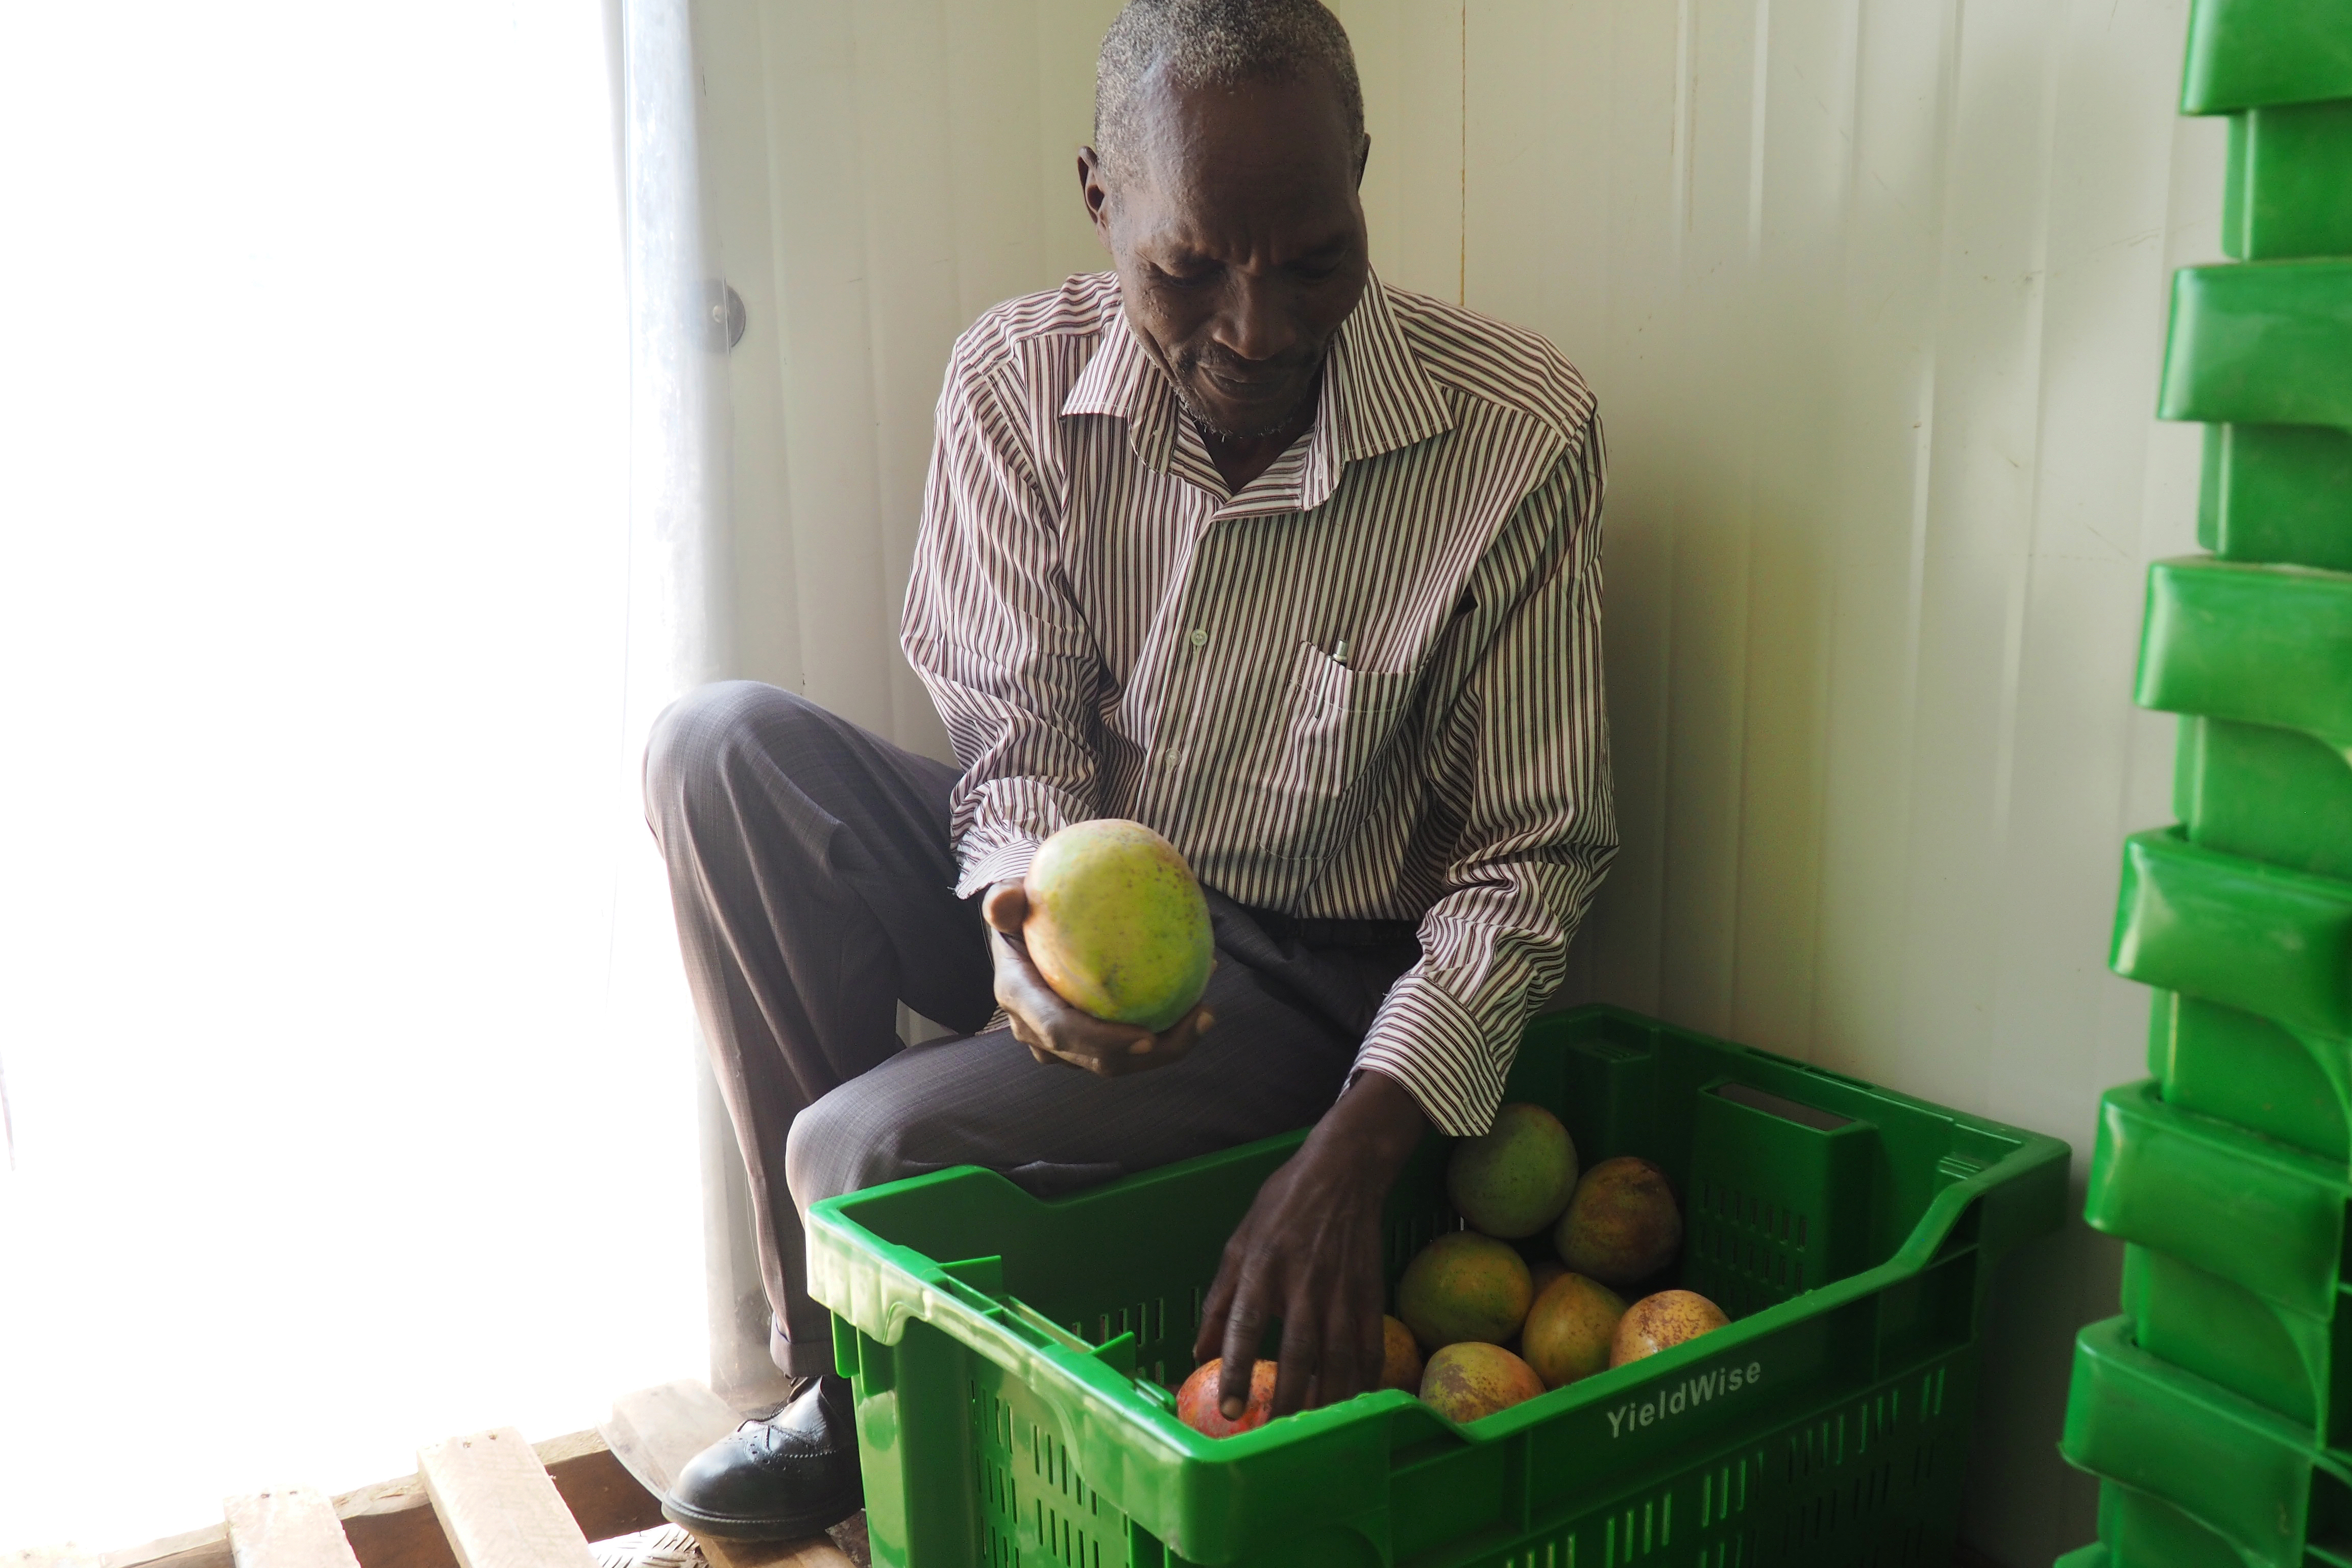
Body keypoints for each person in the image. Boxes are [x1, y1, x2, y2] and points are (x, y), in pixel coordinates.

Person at [641, 0, 1614, 1539]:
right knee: (723, 753)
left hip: (1298, 976)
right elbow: (1013, 744)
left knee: (857, 1151)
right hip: (1076, 895)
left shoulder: (1516, 430)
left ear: (1362, 175)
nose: (1258, 327)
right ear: (1103, 197)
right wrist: (1023, 925)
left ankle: (885, 1311)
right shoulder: (1014, 383)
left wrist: (1358, 1151)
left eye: (1316, 260)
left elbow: (1532, 859)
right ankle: (846, 1380)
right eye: (1187, 267)